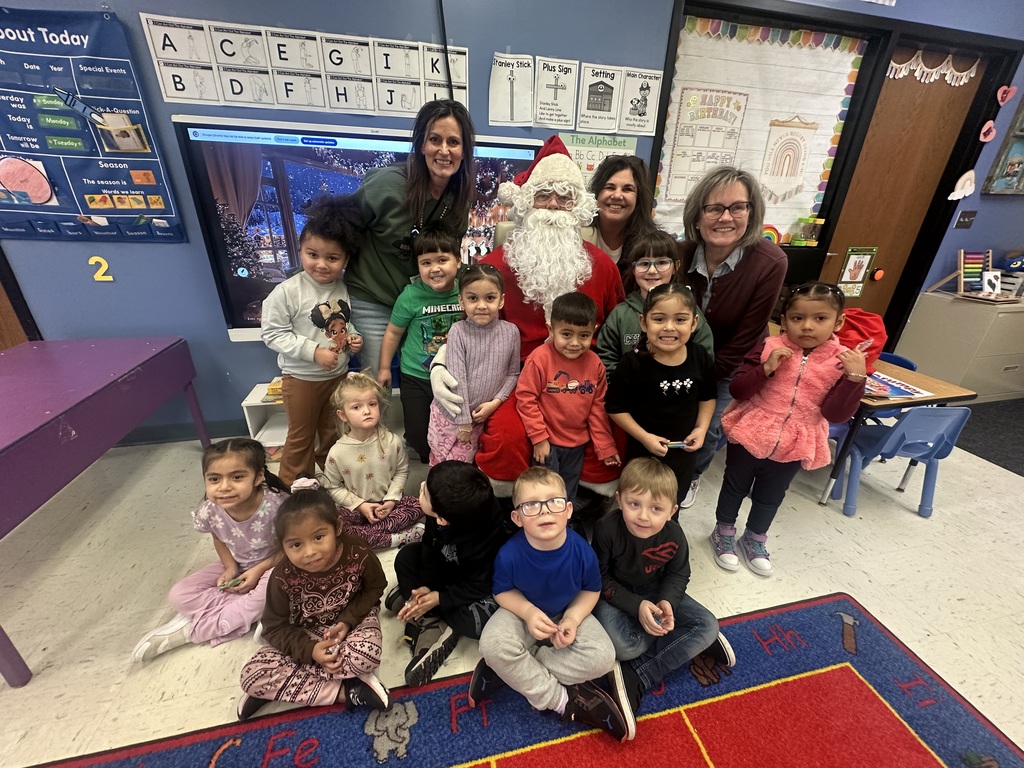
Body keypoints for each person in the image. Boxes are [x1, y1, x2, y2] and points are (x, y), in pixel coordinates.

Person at [432, 135, 625, 486]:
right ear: (527, 202)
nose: (552, 205)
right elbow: (469, 324)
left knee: (614, 438)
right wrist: (441, 361)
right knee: (505, 441)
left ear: (576, 206)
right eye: (543, 195)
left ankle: (580, 511)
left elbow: (617, 331)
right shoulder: (494, 268)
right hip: (517, 377)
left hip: (584, 377)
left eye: (564, 197)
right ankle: (510, 514)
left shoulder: (603, 267)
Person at [711, 282, 867, 576]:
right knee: (734, 485)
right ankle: (724, 531)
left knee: (772, 494)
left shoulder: (843, 361)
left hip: (798, 438)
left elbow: (835, 413)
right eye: (797, 318)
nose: (807, 327)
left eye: (819, 318)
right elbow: (738, 389)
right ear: (783, 320)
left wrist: (855, 379)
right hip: (752, 429)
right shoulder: (769, 346)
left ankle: (755, 538)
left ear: (839, 321)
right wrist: (765, 368)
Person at [468, 467, 628, 741]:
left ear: (567, 510)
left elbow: (591, 590)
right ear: (517, 518)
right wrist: (528, 612)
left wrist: (573, 618)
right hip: (523, 613)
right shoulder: (509, 554)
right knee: (492, 644)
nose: (544, 511)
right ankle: (561, 701)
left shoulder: (581, 551)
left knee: (603, 658)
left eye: (553, 502)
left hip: (567, 610)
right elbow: (502, 592)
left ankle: (513, 672)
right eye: (531, 505)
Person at [592, 458, 734, 740]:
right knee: (624, 647)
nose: (644, 516)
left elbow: (679, 574)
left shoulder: (675, 534)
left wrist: (667, 602)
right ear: (619, 500)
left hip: (657, 592)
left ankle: (637, 674)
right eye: (635, 504)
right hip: (616, 595)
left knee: (708, 625)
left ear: (672, 511)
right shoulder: (606, 528)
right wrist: (636, 605)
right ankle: (684, 642)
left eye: (656, 509)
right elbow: (597, 579)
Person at [678, 166, 787, 509]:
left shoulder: (770, 262)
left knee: (710, 426)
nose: (725, 217)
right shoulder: (679, 255)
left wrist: (697, 383)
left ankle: (692, 475)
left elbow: (742, 341)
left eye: (737, 207)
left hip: (733, 362)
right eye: (714, 208)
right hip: (679, 355)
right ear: (698, 215)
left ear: (751, 213)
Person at [236, 482, 390, 720]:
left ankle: (283, 688)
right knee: (251, 676)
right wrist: (312, 651)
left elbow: (375, 588)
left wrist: (348, 621)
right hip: (305, 634)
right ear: (283, 546)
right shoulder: (282, 577)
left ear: (337, 527)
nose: (309, 552)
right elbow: (274, 628)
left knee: (365, 656)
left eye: (319, 537)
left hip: (352, 624)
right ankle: (348, 691)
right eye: (296, 545)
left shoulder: (358, 552)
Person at [348, 99, 476, 378]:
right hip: (373, 299)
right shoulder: (386, 185)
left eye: (453, 142)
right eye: (434, 139)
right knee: (374, 385)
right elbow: (339, 232)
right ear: (421, 144)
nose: (444, 150)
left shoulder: (459, 200)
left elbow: (451, 259)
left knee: (425, 377)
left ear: (464, 151)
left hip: (421, 301)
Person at [132, 438, 290, 662]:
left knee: (263, 597)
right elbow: (219, 538)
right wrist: (229, 567)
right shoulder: (210, 510)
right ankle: (238, 613)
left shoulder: (277, 505)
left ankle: (191, 631)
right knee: (179, 595)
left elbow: (292, 546)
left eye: (237, 477)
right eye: (214, 479)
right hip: (238, 562)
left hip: (275, 564)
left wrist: (259, 571)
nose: (224, 487)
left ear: (258, 476)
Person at [261, 196, 364, 486]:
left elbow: (344, 321)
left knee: (333, 433)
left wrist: (353, 337)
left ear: (345, 260)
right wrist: (313, 351)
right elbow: (272, 333)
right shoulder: (286, 291)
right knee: (301, 437)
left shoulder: (342, 286)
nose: (321, 264)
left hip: (339, 377)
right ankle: (290, 492)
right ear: (300, 250)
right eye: (312, 254)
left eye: (332, 258)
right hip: (302, 379)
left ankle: (330, 483)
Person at [387, 461, 510, 687]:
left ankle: (431, 621)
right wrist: (425, 587)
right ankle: (427, 614)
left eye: (424, 492)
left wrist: (440, 598)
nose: (421, 485)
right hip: (444, 570)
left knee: (476, 623)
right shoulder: (449, 509)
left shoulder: (488, 540)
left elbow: (481, 585)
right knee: (404, 558)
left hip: (474, 586)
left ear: (443, 519)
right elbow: (428, 547)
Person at [606, 284, 717, 506]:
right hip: (642, 453)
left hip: (683, 455)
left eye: (680, 319)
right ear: (643, 322)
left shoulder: (700, 357)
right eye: (659, 319)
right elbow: (615, 408)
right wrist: (644, 437)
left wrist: (701, 428)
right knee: (637, 504)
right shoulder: (632, 363)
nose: (669, 327)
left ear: (694, 323)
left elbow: (708, 396)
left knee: (671, 504)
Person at [516, 292, 620, 504]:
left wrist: (606, 447)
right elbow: (526, 399)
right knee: (545, 491)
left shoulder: (595, 364)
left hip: (577, 445)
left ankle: (566, 524)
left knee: (567, 492)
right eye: (566, 334)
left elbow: (598, 408)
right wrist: (539, 438)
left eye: (583, 335)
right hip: (548, 443)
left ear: (594, 331)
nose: (574, 343)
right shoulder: (539, 359)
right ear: (550, 329)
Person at [377, 225, 464, 461]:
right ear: (418, 266)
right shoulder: (410, 296)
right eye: (426, 263)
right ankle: (429, 460)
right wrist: (385, 368)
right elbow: (393, 333)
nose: (434, 269)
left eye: (442, 260)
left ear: (458, 260)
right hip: (416, 376)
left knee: (457, 427)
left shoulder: (466, 291)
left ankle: (450, 463)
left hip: (455, 376)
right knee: (417, 433)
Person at [426, 263, 520, 464]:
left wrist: (496, 403)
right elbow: (457, 378)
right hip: (450, 416)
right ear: (461, 300)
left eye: (490, 298)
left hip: (479, 416)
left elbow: (513, 374)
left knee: (462, 468)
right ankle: (431, 495)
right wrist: (464, 423)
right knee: (440, 465)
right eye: (472, 298)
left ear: (501, 300)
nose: (481, 305)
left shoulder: (511, 332)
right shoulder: (458, 331)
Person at [321, 373, 424, 549]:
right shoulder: (337, 452)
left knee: (418, 505)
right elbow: (332, 487)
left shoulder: (392, 442)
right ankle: (396, 538)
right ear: (343, 415)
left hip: (389, 506)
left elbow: (401, 471)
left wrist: (391, 501)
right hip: (355, 510)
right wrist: (360, 505)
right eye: (356, 407)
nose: (367, 411)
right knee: (335, 526)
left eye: (372, 404)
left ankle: (369, 536)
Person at [596, 228, 714, 375]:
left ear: (676, 266)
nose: (652, 271)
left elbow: (704, 362)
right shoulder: (621, 314)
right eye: (644, 264)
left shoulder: (688, 312)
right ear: (633, 269)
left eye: (662, 262)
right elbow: (606, 360)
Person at [584, 154, 657, 274]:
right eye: (610, 187)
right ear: (596, 194)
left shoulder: (650, 247)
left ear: (639, 198)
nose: (617, 195)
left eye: (627, 189)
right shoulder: (576, 238)